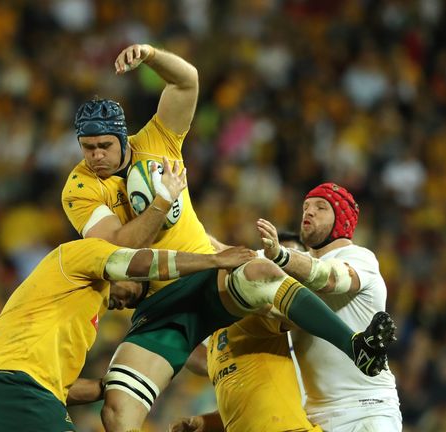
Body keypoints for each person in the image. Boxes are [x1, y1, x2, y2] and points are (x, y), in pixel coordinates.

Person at [63, 44, 396, 431]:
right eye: (88, 148)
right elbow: (121, 248)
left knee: (258, 273)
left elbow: (187, 81)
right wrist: (162, 202)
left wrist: (151, 54)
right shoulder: (79, 188)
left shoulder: (156, 142)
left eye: (104, 146)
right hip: (159, 303)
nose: (96, 156)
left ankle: (357, 347)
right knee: (118, 409)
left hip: (206, 277)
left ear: (124, 139)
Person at [0, 237, 257, 431]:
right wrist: (215, 261)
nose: (124, 305)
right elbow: (146, 261)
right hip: (14, 387)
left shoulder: (77, 314)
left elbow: (60, 389)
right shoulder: (85, 254)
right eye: (135, 294)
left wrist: (116, 384)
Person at [257, 182, 402, 431]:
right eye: (305, 207)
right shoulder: (292, 271)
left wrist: (281, 256)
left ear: (342, 220)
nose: (309, 211)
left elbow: (331, 279)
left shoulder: (359, 257)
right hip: (314, 417)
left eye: (321, 207)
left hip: (366, 409)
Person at [169, 232, 322, 432]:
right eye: (273, 264)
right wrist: (204, 423)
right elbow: (250, 412)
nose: (281, 274)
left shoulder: (317, 339)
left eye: (289, 264)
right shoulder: (232, 331)